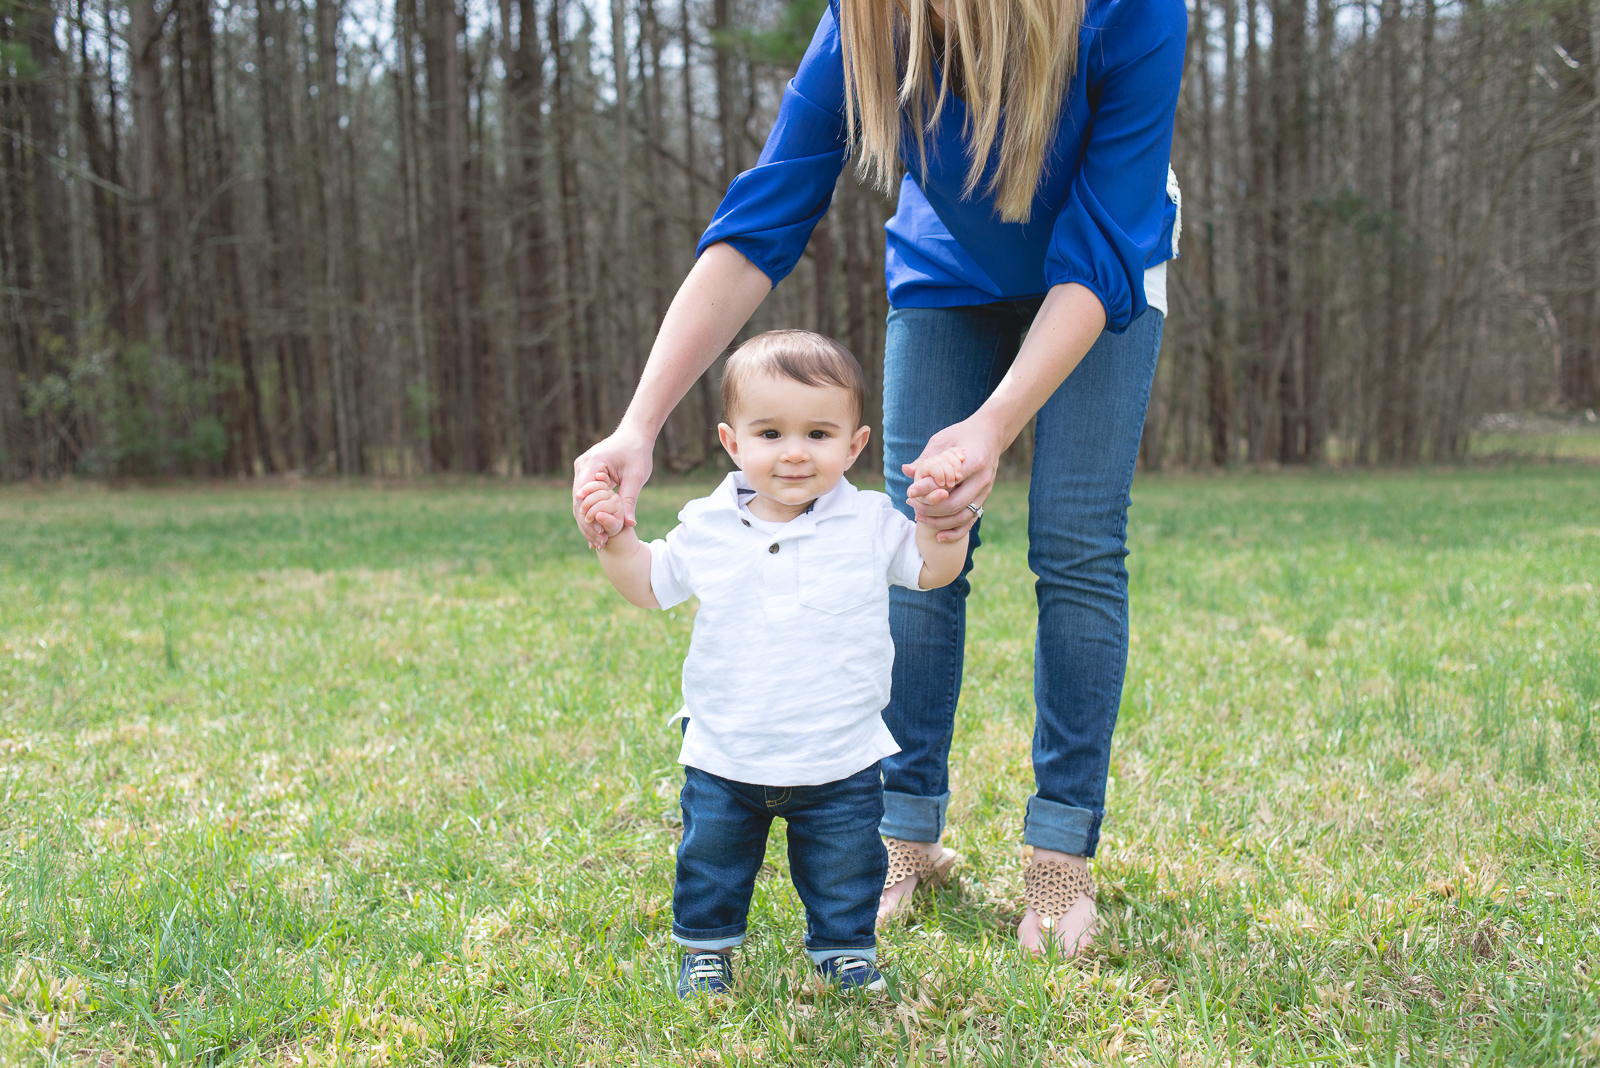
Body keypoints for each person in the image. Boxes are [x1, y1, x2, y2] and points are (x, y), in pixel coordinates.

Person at [573, 0, 1185, 957]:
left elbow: (1100, 243)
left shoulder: (1131, 14)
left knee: (1074, 542)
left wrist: (993, 423)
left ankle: (1060, 853)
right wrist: (639, 425)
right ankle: (907, 830)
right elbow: (764, 216)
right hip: (949, 268)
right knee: (917, 530)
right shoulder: (865, 19)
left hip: (1100, 270)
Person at [577, 330, 970, 997]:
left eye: (819, 434)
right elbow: (651, 585)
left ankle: (844, 949)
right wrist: (616, 543)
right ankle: (708, 950)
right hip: (727, 748)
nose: (794, 453)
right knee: (713, 860)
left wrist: (942, 528)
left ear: (855, 445)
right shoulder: (707, 524)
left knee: (846, 864)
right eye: (770, 434)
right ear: (733, 443)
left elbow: (930, 572)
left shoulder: (871, 521)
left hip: (840, 750)